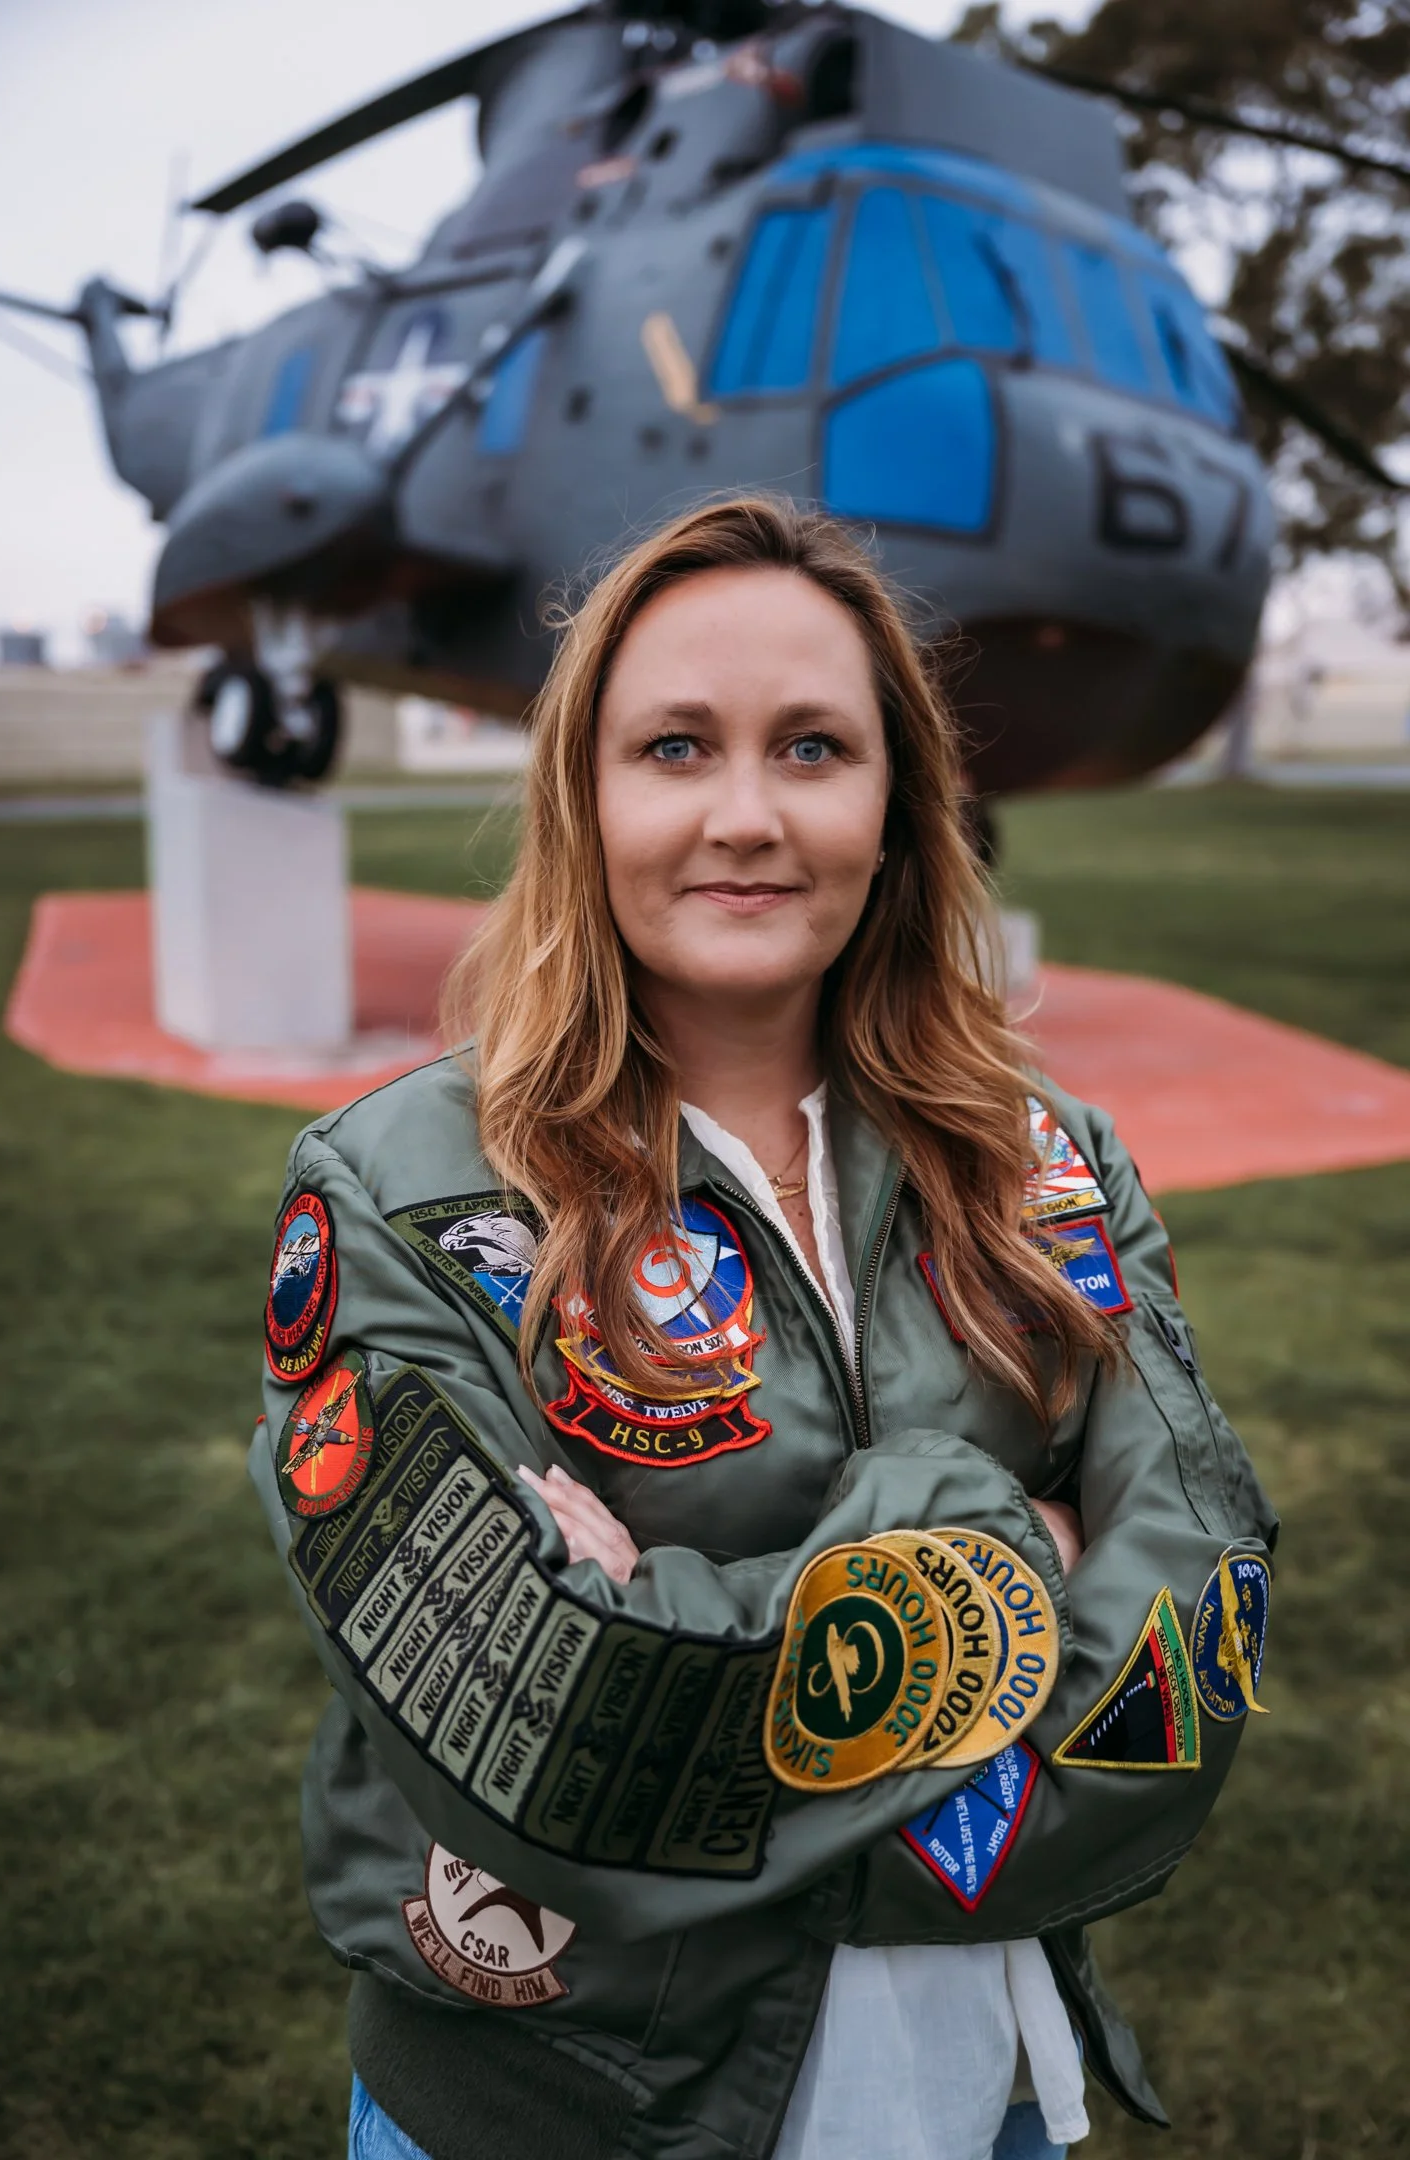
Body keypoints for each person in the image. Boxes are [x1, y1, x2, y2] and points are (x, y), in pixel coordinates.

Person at [253, 497, 1277, 2160]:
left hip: (976, 2089)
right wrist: (996, 1536)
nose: (746, 815)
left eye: (813, 748)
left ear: (898, 806)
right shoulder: (400, 1190)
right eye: (674, 748)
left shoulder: (1049, 1160)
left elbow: (1191, 1638)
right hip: (565, 2107)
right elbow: (550, 1730)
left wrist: (681, 1630)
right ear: (583, 800)